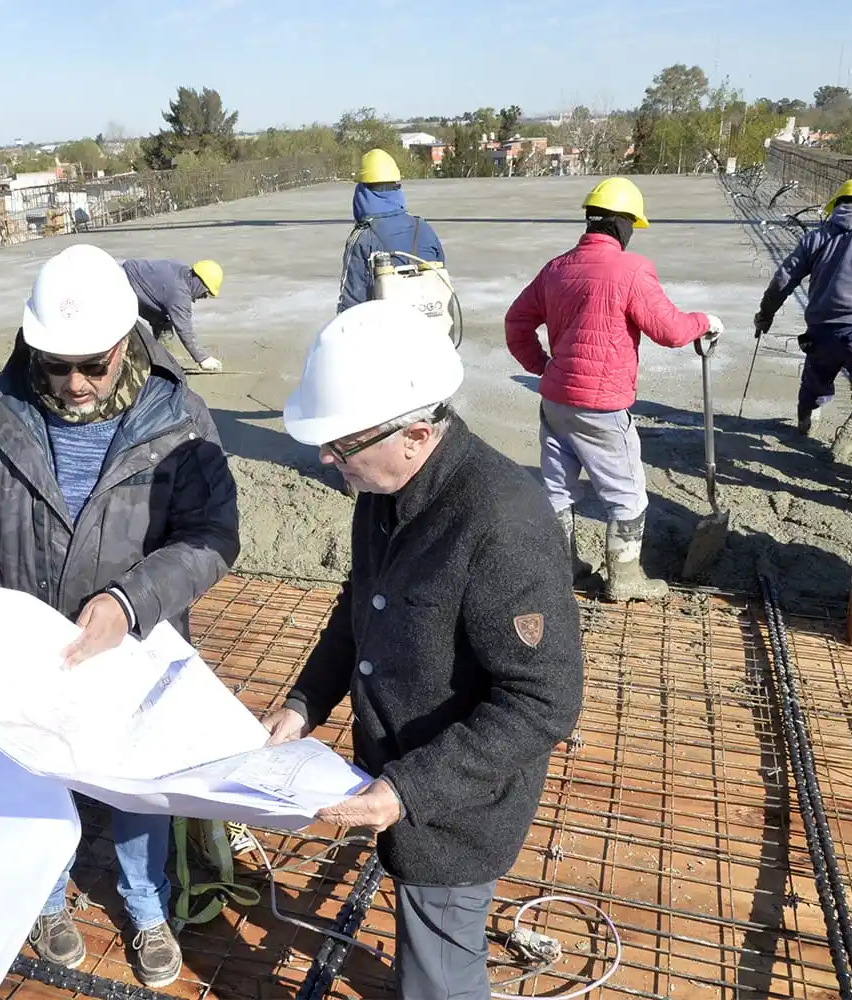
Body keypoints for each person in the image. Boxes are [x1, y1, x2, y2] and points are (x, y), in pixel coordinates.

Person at [0, 243, 240, 988]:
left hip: (135, 643)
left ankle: (147, 903)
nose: (74, 383)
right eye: (55, 364)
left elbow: (211, 534)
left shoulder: (180, 417)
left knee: (134, 783)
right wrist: (0, 616)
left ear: (127, 339)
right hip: (27, 646)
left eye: (92, 364)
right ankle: (48, 894)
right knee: (36, 776)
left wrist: (130, 603)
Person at [264, 299, 584, 1000]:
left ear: (414, 434)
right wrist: (304, 703)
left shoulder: (501, 522)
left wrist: (408, 790)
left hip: (457, 815)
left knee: (436, 978)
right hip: (398, 784)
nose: (324, 457)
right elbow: (360, 608)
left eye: (340, 443)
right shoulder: (382, 485)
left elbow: (544, 701)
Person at [504, 177, 722, 601]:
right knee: (627, 493)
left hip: (555, 400)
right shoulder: (631, 269)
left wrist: (543, 367)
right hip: (601, 406)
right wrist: (706, 321)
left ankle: (561, 567)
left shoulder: (557, 268)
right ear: (623, 224)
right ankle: (624, 578)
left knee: (558, 488)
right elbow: (671, 330)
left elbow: (516, 323)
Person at [753, 175, 852, 458]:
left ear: (837, 204)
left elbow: (784, 278)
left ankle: (806, 420)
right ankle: (848, 443)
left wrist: (765, 314)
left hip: (818, 331)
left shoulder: (816, 237)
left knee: (815, 381)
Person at [338, 148, 444, 312]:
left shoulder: (363, 238)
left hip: (385, 333)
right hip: (433, 330)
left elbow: (351, 304)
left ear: (363, 190)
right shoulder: (424, 228)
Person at [121, 257, 225, 371]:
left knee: (163, 322)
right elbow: (185, 330)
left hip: (129, 277)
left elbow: (156, 293)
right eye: (206, 291)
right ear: (200, 283)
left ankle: (164, 361)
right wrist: (202, 359)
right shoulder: (180, 294)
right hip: (121, 285)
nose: (204, 296)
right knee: (124, 333)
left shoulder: (180, 268)